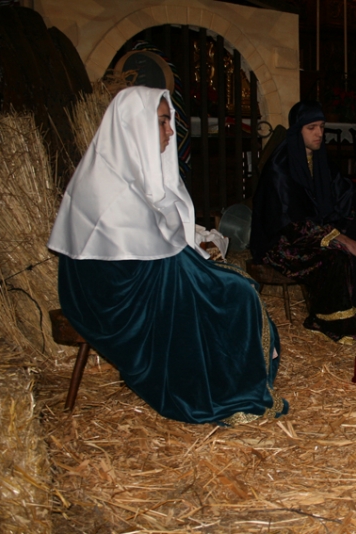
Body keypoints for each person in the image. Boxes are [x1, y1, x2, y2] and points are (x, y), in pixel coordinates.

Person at [48, 86, 287, 425]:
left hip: (145, 278)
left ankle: (232, 377)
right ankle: (220, 390)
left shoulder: (129, 173)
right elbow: (137, 263)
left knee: (233, 284)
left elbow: (157, 250)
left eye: (168, 122)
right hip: (109, 299)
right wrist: (200, 273)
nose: (170, 132)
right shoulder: (107, 186)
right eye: (161, 122)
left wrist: (199, 267)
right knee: (234, 295)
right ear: (135, 125)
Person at [250, 101, 356, 345]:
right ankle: (334, 323)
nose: (319, 133)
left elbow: (345, 197)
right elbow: (290, 222)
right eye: (311, 128)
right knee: (337, 256)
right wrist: (340, 239)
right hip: (284, 243)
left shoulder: (321, 161)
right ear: (297, 130)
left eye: (321, 127)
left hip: (319, 234)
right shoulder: (280, 167)